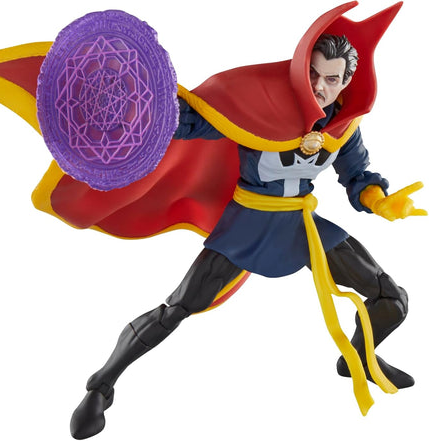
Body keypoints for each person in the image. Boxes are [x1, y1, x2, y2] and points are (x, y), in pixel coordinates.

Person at [69, 32, 425, 440]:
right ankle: (101, 386)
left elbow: (357, 175)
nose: (319, 87)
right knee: (178, 308)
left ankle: (359, 358)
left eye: (331, 79)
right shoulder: (260, 105)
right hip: (248, 225)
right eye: (312, 74)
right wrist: (138, 104)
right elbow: (192, 120)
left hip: (301, 226)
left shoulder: (344, 125)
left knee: (392, 299)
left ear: (345, 82)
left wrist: (380, 201)